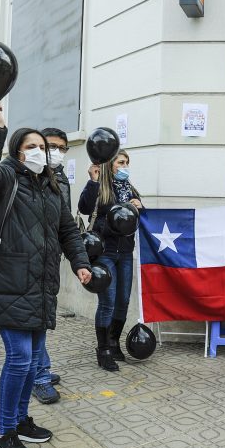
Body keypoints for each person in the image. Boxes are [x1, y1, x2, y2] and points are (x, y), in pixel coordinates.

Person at [0, 103, 92, 448]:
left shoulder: (52, 187)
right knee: (21, 360)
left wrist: (81, 263)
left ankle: (22, 421)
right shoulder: (5, 179)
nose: (43, 152)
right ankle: (5, 431)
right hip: (8, 283)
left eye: (46, 146)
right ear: (18, 153)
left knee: (32, 358)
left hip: (41, 286)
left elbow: (68, 229)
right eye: (33, 147)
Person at [78, 149, 142, 372]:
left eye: (126, 163)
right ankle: (103, 349)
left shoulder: (130, 189)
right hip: (104, 252)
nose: (124, 167)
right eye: (120, 163)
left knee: (123, 300)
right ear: (109, 165)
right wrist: (93, 181)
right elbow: (84, 208)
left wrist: (139, 207)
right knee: (108, 301)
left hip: (125, 252)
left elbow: (134, 220)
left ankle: (114, 343)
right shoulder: (102, 188)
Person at [30, 127, 72, 405]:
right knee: (34, 320)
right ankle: (38, 377)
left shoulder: (58, 177)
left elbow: (65, 222)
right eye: (51, 146)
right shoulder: (28, 178)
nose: (56, 153)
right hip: (29, 259)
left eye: (62, 148)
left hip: (50, 257)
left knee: (42, 317)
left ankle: (40, 367)